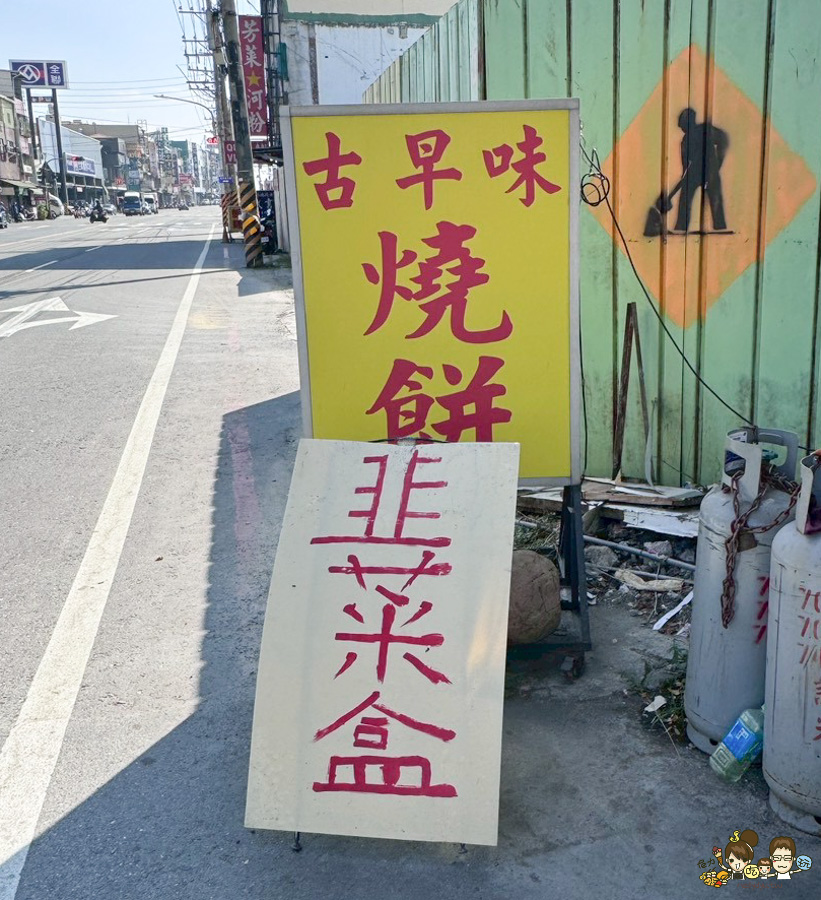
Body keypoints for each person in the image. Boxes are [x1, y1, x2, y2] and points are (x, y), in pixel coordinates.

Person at [673, 107, 729, 233]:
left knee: (715, 199)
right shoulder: (685, 140)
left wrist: (717, 163)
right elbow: (685, 161)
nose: (681, 128)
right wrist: (684, 175)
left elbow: (723, 140)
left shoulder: (704, 130)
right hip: (694, 173)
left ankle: (720, 227)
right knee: (685, 198)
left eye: (682, 124)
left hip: (710, 172)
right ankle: (681, 227)